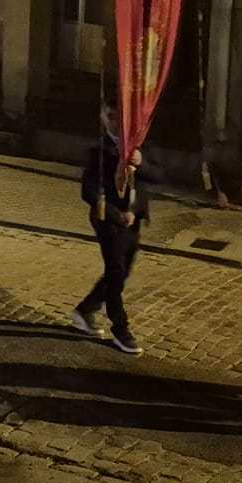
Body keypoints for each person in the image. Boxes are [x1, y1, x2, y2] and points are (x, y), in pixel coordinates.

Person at [67, 104, 152, 357]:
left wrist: (142, 162)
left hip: (134, 222)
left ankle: (85, 310)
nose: (115, 121)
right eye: (110, 116)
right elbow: (89, 191)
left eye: (119, 115)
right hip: (109, 222)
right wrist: (117, 215)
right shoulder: (100, 152)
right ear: (103, 119)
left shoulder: (137, 146)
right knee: (115, 273)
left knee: (122, 273)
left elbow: (157, 176)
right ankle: (121, 329)